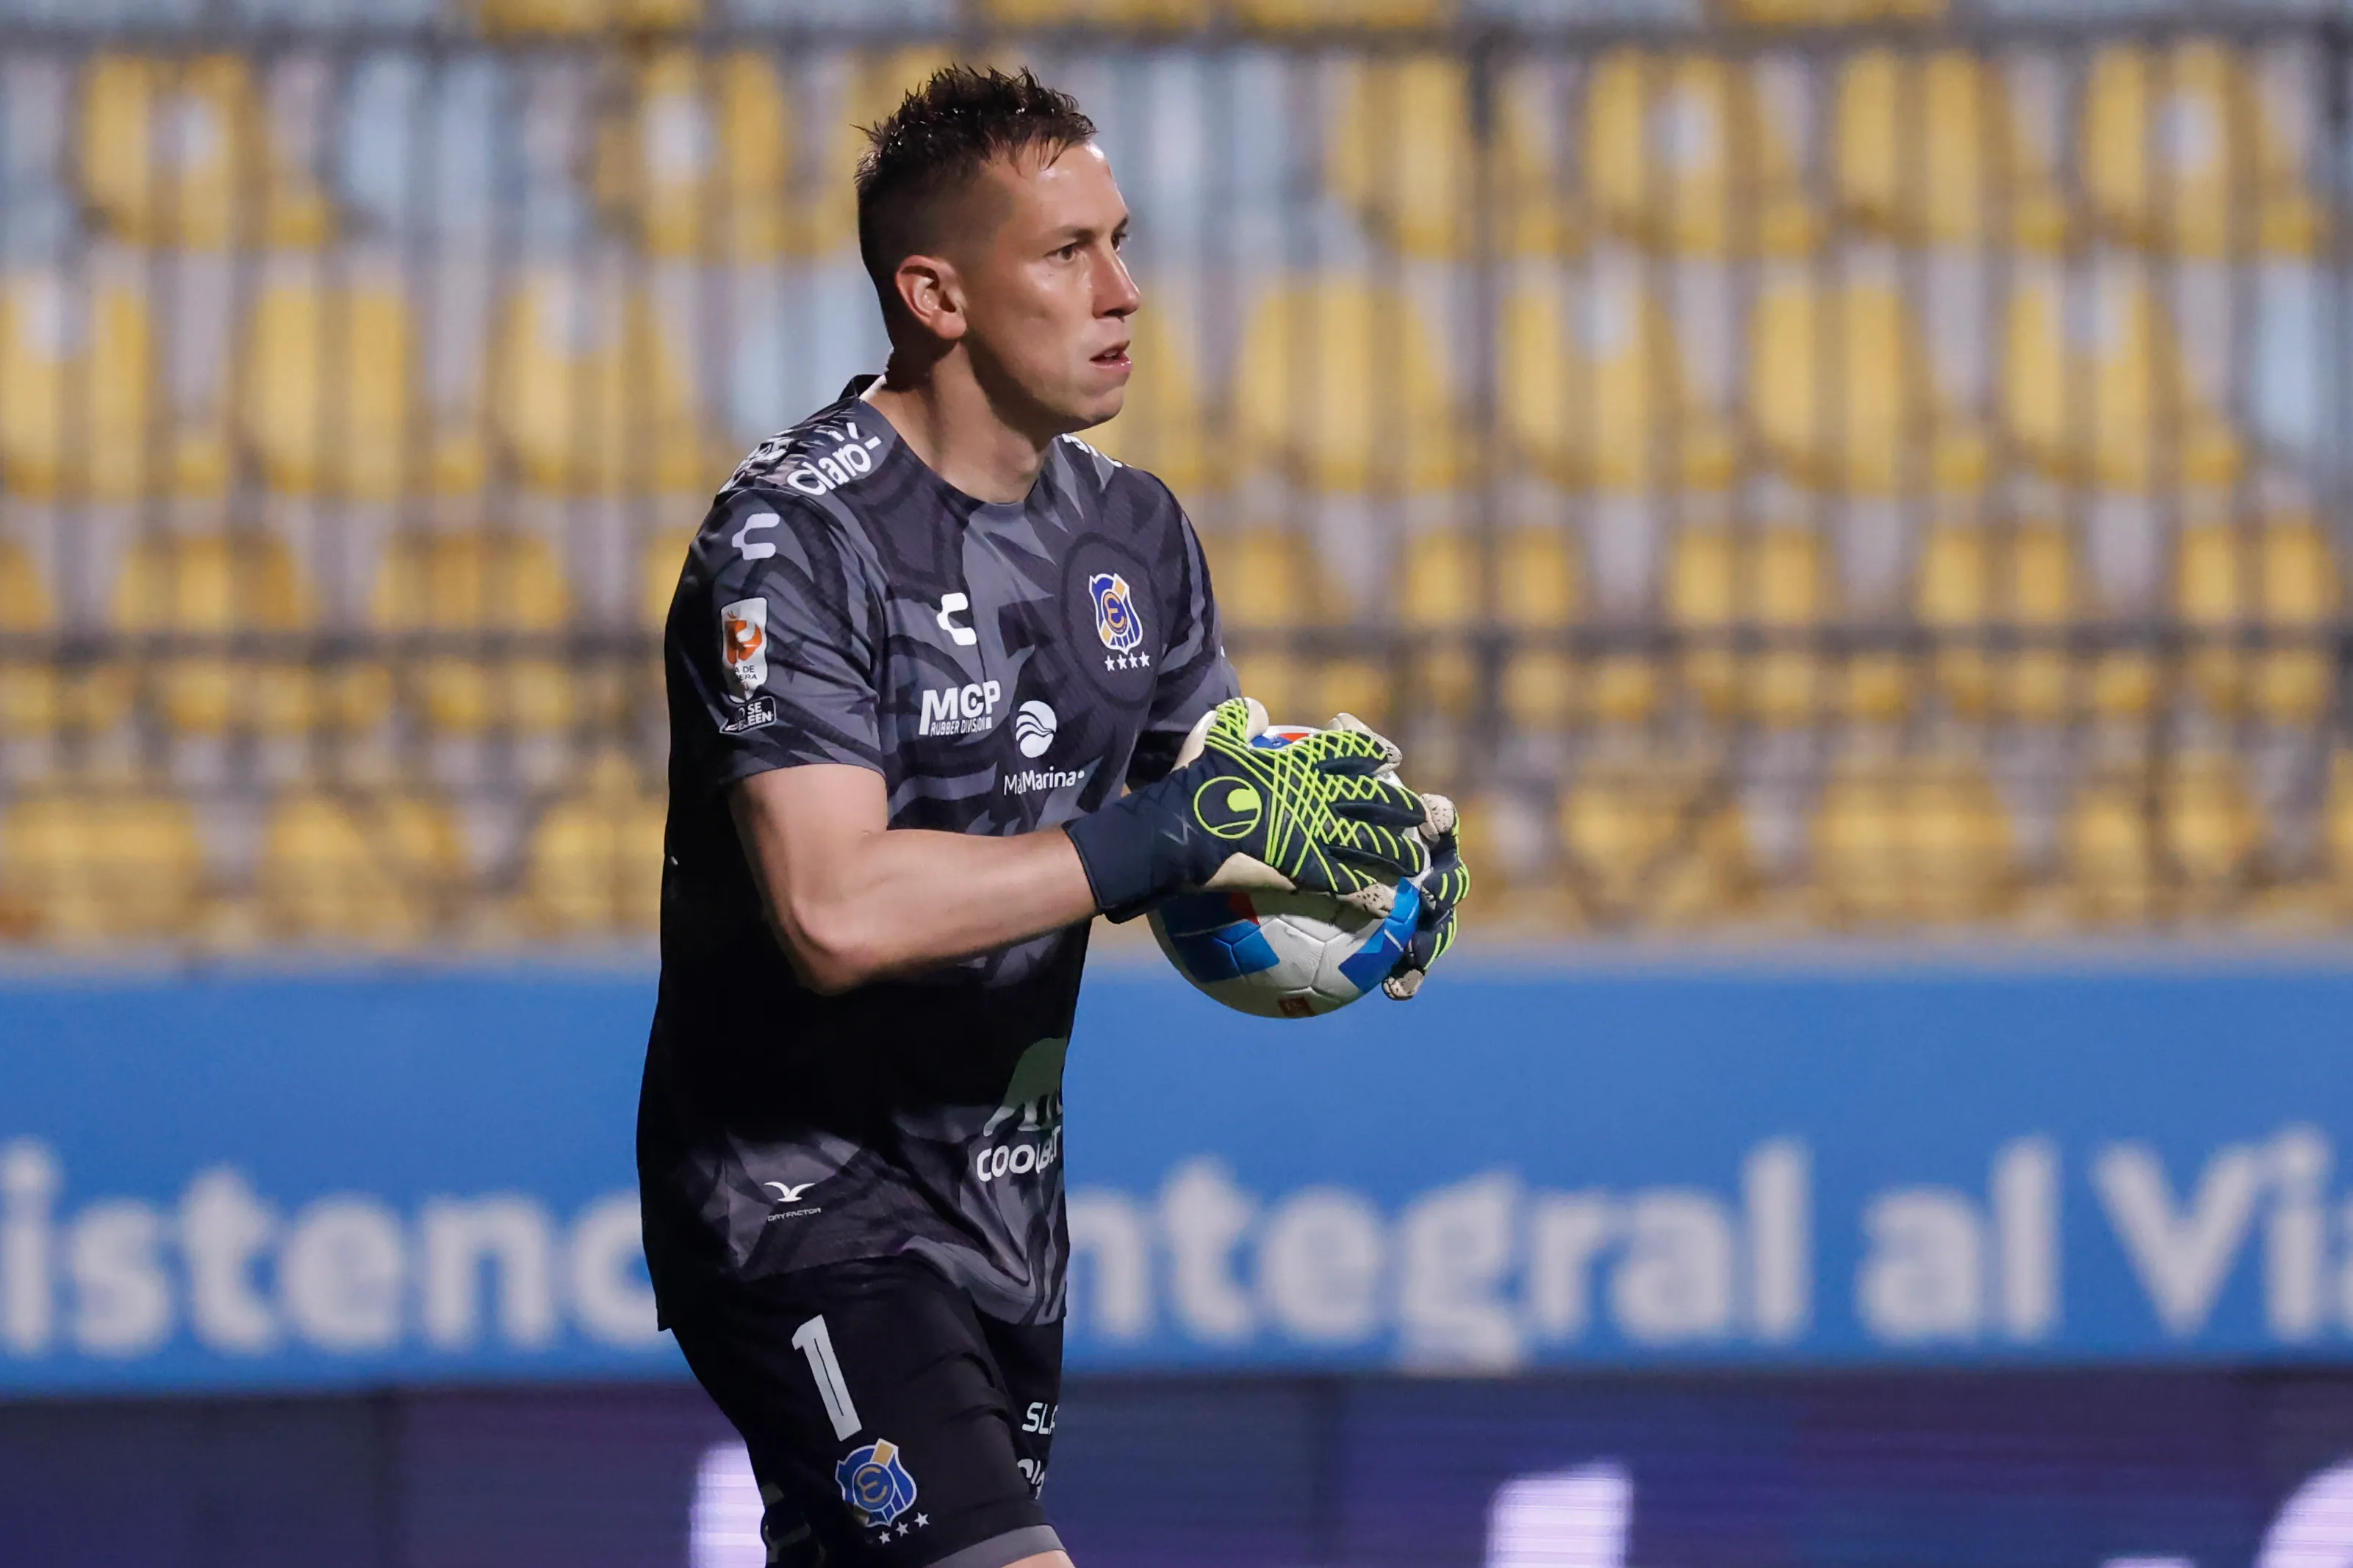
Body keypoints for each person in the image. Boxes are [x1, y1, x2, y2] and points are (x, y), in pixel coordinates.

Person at [639, 65, 1469, 1568]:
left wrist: (1359, 860)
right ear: (935, 295)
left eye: (1122, 241)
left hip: (1003, 1219)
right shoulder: (793, 542)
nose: (1124, 290)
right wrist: (1162, 833)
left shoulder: (1133, 532)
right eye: (1066, 252)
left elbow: (1218, 788)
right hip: (799, 1206)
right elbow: (835, 910)